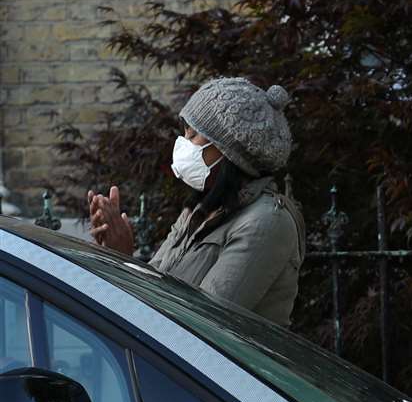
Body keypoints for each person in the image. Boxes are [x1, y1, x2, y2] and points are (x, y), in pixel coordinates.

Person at [88, 77, 305, 326]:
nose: (183, 142)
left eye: (194, 135)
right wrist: (118, 256)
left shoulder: (267, 222)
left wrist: (125, 259)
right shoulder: (201, 210)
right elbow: (154, 289)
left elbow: (202, 325)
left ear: (228, 152)